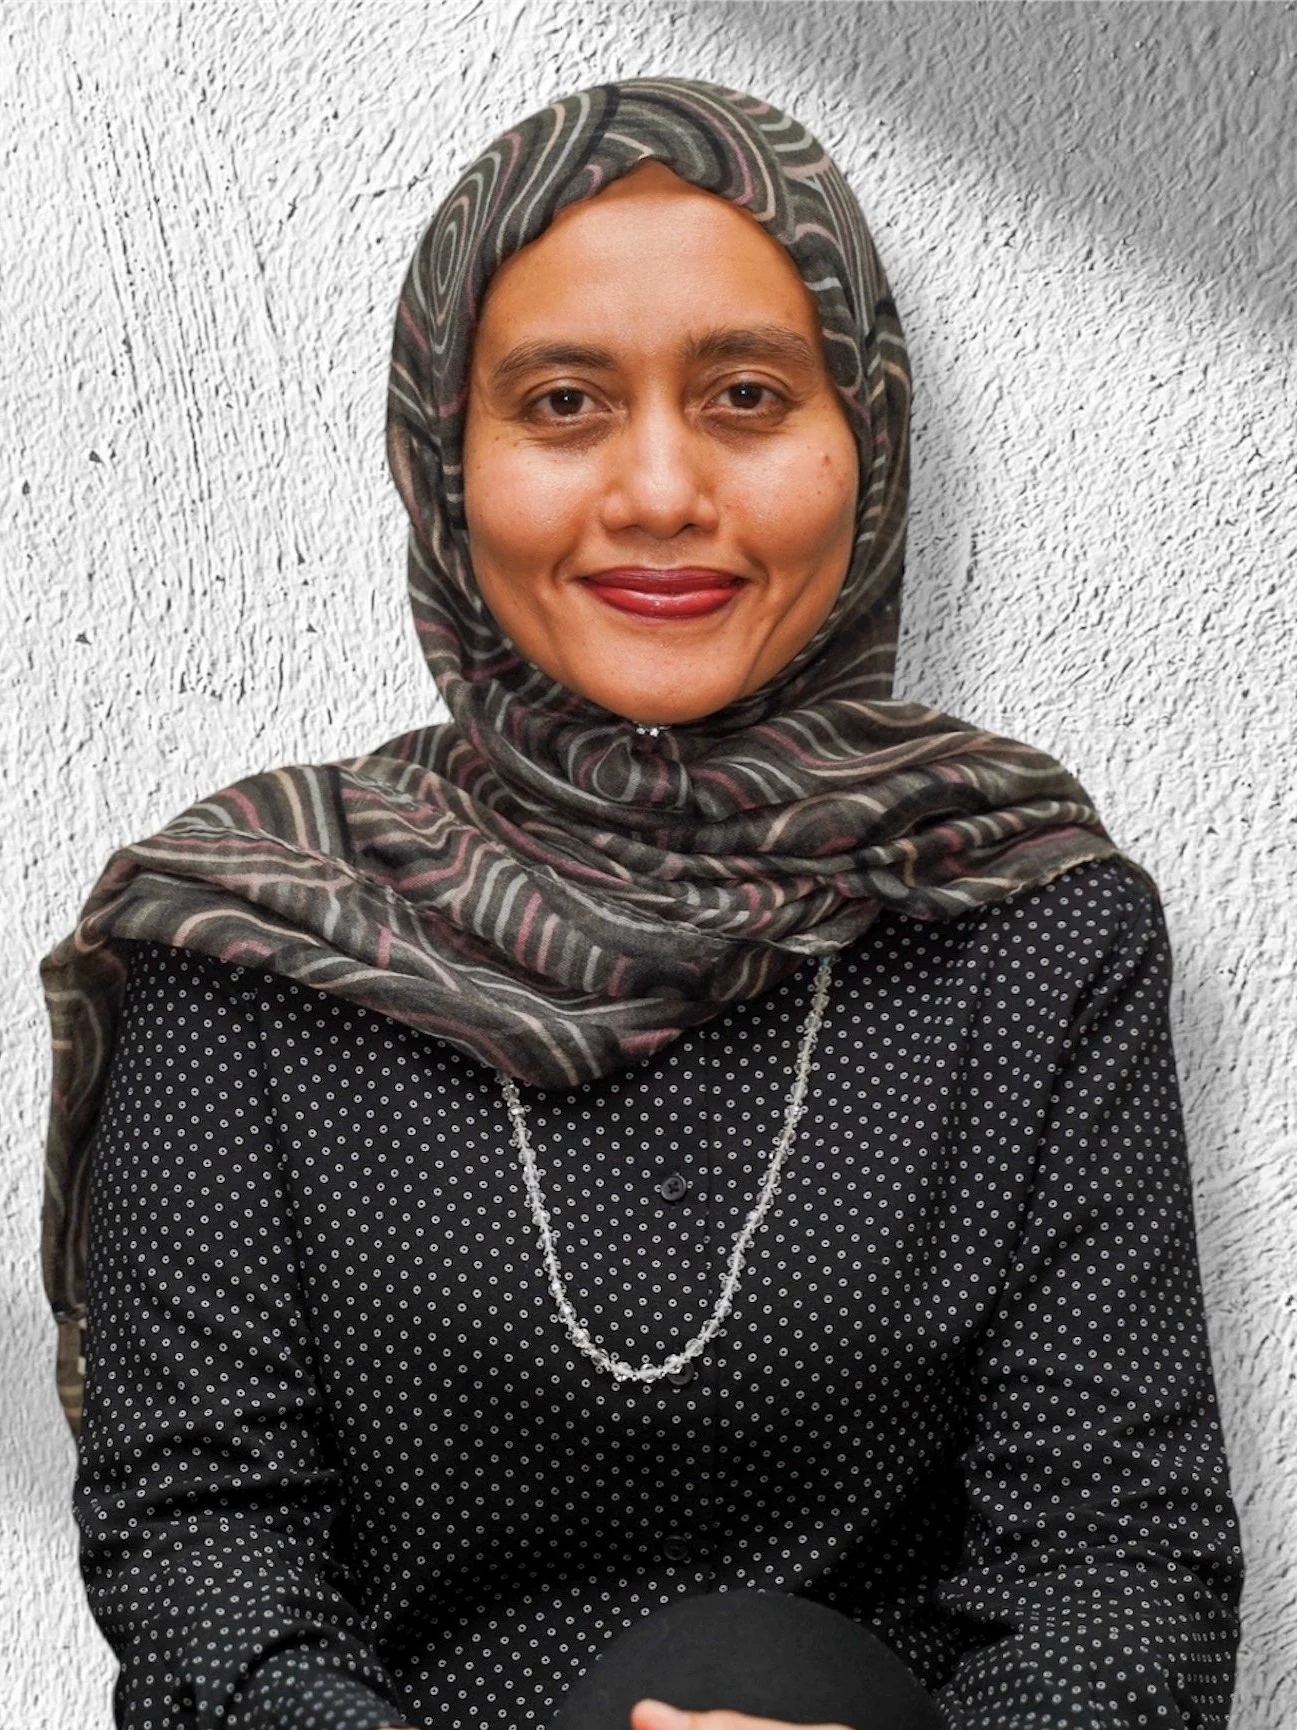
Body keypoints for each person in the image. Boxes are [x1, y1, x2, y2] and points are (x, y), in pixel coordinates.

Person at [39, 77, 1243, 1730]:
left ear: (866, 438)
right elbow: (200, 1563)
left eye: (747, 393)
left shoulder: (1026, 919)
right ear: (445, 459)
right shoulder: (248, 941)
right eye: (561, 403)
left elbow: (1122, 1563)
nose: (662, 489)